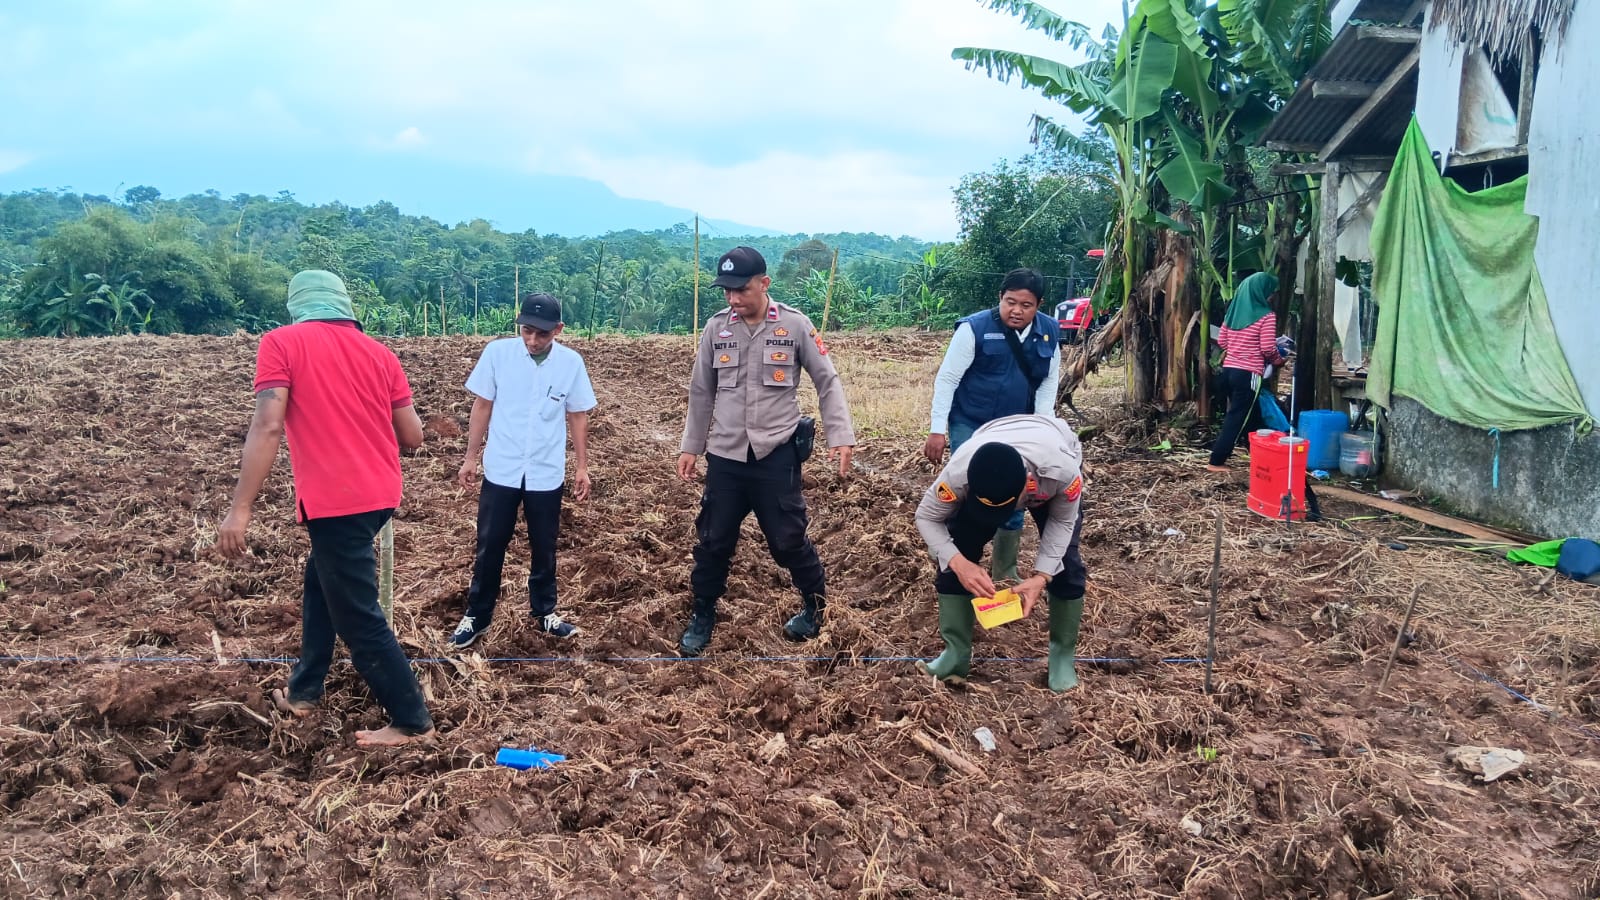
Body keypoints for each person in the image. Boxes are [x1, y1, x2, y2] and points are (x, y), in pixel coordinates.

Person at [218, 270, 434, 747]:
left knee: (358, 614)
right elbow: (413, 437)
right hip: (379, 495)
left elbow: (268, 427)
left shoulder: (282, 343)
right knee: (321, 584)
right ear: (345, 305)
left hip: (337, 503)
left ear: (298, 305)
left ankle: (411, 720)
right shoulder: (380, 354)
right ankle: (304, 689)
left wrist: (240, 510)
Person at [675, 246, 856, 656]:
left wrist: (839, 434)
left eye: (741, 290)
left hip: (776, 454)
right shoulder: (716, 329)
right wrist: (691, 446)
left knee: (788, 539)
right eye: (727, 292)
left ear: (764, 283)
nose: (734, 299)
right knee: (713, 539)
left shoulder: (794, 325)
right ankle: (703, 612)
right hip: (725, 455)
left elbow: (827, 381)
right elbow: (702, 391)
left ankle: (815, 606)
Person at [449, 293, 596, 649]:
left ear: (558, 330)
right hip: (502, 468)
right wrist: (471, 456)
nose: (532, 340)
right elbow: (483, 405)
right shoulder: (498, 354)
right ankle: (478, 614)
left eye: (542, 334)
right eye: (527, 331)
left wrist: (582, 465)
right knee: (490, 544)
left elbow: (578, 414)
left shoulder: (571, 363)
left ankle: (544, 611)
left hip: (545, 472)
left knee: (544, 545)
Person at [914, 414, 1088, 692]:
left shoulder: (1061, 472)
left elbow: (1063, 521)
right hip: (991, 434)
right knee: (955, 552)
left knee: (1066, 564)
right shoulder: (959, 474)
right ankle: (954, 656)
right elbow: (926, 517)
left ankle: (1061, 659)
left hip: (1052, 442)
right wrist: (960, 563)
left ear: (1027, 483)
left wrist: (1042, 575)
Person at [922, 268, 1062, 582]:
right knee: (968, 489)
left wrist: (1043, 432)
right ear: (1000, 297)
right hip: (970, 423)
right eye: (1010, 302)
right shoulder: (975, 329)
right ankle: (957, 559)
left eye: (1026, 305)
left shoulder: (1050, 332)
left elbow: (1047, 384)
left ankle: (1005, 573)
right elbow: (947, 379)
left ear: (1039, 304)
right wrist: (937, 429)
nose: (1016, 310)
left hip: (1018, 430)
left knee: (1014, 496)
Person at [1208, 272, 1292, 471]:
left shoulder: (1233, 313)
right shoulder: (1267, 316)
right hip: (1249, 374)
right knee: (1237, 416)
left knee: (1250, 413)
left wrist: (1239, 347)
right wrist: (1279, 361)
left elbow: (1222, 341)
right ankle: (1216, 460)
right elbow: (1267, 348)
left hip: (1228, 371)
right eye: (1270, 293)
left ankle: (1257, 453)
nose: (1271, 297)